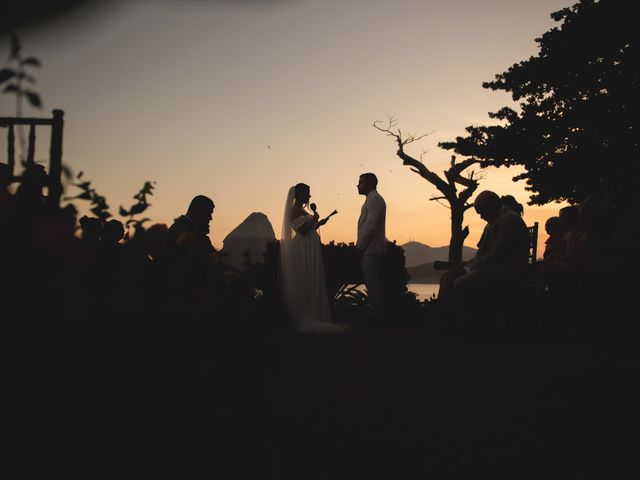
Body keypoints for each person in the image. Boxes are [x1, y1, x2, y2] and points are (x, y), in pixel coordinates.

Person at [437, 190, 530, 324]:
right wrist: (464, 266)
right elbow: (482, 254)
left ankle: (466, 323)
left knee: (459, 282)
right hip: (492, 267)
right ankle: (445, 320)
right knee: (448, 276)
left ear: (492, 206)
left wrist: (467, 270)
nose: (481, 217)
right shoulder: (495, 220)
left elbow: (496, 255)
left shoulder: (509, 220)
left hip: (505, 270)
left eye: (482, 213)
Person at [280, 183, 347, 333]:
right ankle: (308, 312)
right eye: (307, 193)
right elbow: (300, 229)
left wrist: (317, 223)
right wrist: (313, 219)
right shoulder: (294, 210)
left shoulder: (301, 209)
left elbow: (308, 228)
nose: (309, 196)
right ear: (299, 194)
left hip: (309, 245)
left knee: (312, 276)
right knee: (306, 275)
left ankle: (315, 310)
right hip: (303, 247)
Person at [156, 195, 217, 299]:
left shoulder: (185, 229)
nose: (210, 218)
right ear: (199, 212)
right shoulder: (186, 233)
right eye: (209, 213)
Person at [356, 173, 387, 324]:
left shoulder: (375, 200)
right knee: (371, 283)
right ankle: (375, 314)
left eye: (361, 182)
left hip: (371, 249)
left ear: (369, 183)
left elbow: (371, 228)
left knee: (374, 284)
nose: (358, 185)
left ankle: (376, 317)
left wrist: (359, 247)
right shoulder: (371, 200)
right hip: (370, 249)